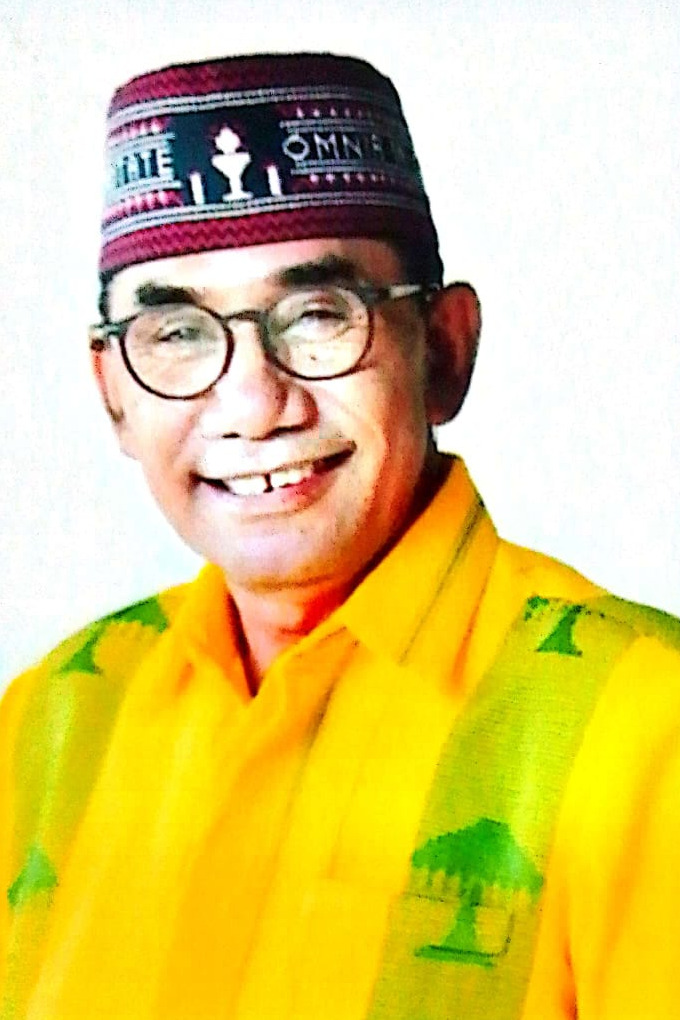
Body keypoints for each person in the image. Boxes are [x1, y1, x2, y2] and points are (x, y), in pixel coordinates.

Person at [1, 52, 679, 1020]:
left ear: (444, 349)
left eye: (318, 316)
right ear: (112, 392)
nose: (252, 404)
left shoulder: (646, 725)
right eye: (178, 332)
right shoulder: (53, 719)